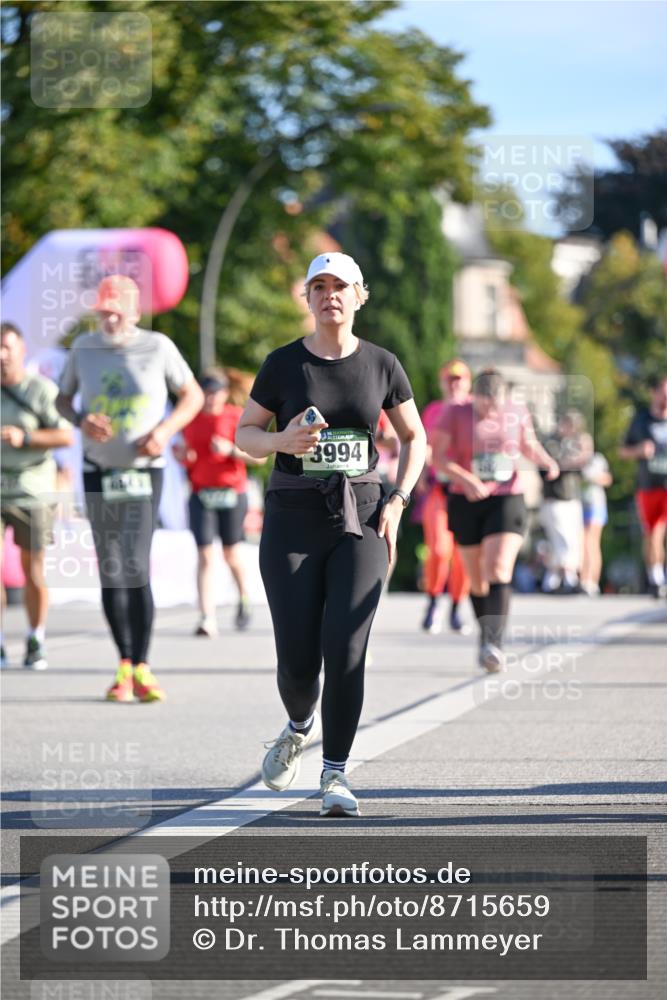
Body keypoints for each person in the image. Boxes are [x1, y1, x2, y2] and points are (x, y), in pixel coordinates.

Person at [236, 251, 426, 817]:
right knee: (298, 663)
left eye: (339, 286)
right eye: (318, 286)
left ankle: (335, 773)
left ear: (359, 296)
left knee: (345, 649)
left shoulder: (382, 364)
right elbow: (246, 433)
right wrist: (281, 441)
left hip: (362, 518)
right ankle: (298, 725)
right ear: (308, 298)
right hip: (293, 518)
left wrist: (398, 500)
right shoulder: (283, 364)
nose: (329, 296)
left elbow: (414, 438)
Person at [56, 275, 203, 701]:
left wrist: (164, 432)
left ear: (136, 312)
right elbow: (62, 400)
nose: (110, 318)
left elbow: (192, 396)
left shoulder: (158, 347)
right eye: (103, 311)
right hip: (98, 470)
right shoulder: (84, 349)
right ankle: (124, 664)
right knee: (110, 567)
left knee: (135, 563)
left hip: (144, 472)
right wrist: (81, 420)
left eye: (117, 311)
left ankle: (143, 665)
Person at [432, 368, 559, 672]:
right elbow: (438, 457)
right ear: (474, 396)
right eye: (484, 405)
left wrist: (547, 462)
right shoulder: (455, 413)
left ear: (505, 398)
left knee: (499, 567)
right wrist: (465, 479)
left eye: (496, 405)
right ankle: (486, 635)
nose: (490, 411)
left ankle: (495, 644)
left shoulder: (517, 411)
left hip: (507, 496)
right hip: (466, 499)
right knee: (476, 578)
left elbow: (528, 445)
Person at [1, 323, 73, 669]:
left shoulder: (40, 389)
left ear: (21, 351)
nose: (1, 355)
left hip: (32, 490)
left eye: (7, 347)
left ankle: (35, 637)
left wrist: (25, 438)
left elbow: (65, 436)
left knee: (32, 569)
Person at [174, 368, 265, 636]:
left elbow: (260, 457)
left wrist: (231, 450)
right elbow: (189, 459)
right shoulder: (190, 419)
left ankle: (244, 596)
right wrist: (184, 457)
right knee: (205, 555)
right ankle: (206, 617)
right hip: (201, 493)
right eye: (207, 392)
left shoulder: (236, 416)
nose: (211, 397)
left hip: (232, 493)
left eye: (216, 392)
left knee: (230, 553)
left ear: (225, 393)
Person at [419, 359, 472, 634]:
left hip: (467, 492)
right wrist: (419, 473)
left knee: (464, 555)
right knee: (439, 549)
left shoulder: (475, 410)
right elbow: (422, 446)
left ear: (468, 383)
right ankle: (433, 601)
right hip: (439, 491)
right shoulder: (434, 410)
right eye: (450, 380)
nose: (454, 385)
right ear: (442, 383)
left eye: (459, 380)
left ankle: (457, 607)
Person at [619, 374, 667, 598]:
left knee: (659, 531)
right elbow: (622, 451)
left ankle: (658, 577)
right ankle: (655, 577)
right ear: (653, 393)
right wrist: (639, 450)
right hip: (648, 486)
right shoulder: (641, 421)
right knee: (653, 533)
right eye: (663, 393)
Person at [539, 410, 593, 594]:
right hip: (555, 498)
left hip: (572, 498)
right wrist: (572, 461)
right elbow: (551, 466)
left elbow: (584, 465)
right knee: (562, 540)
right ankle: (566, 579)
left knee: (572, 539)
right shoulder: (551, 443)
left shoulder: (573, 443)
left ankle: (555, 580)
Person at [580, 451, 612, 596]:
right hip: (581, 504)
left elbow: (607, 479)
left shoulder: (597, 459)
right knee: (582, 543)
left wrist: (592, 477)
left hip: (596, 504)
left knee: (591, 542)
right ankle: (583, 580)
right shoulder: (576, 458)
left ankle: (592, 581)